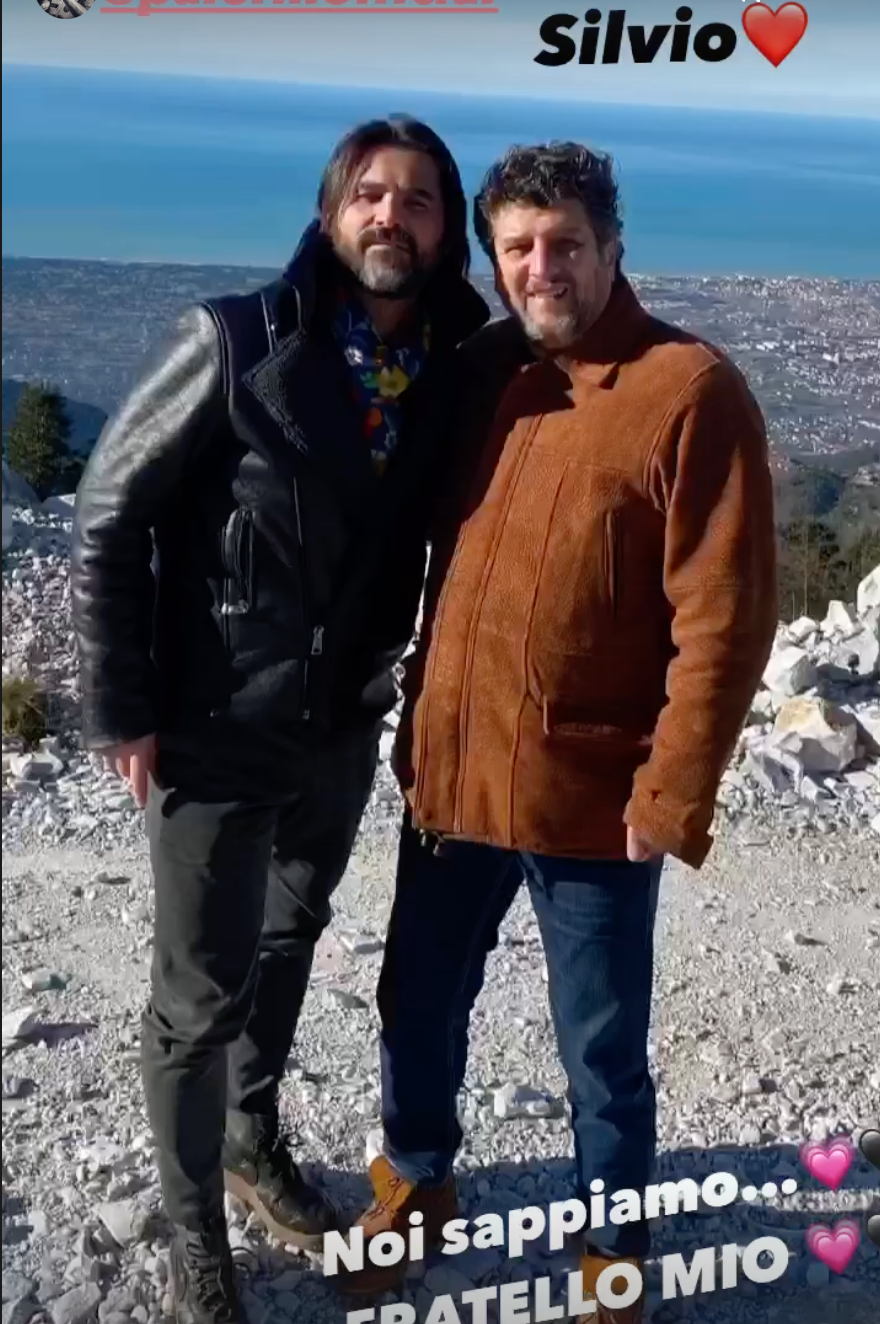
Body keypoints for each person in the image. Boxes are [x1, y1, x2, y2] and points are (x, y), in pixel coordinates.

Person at [340, 141, 778, 1323]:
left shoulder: (687, 390)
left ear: (612, 248)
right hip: (453, 773)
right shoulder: (481, 372)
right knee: (414, 1000)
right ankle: (417, 1181)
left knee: (600, 1046)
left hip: (593, 792)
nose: (543, 268)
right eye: (519, 247)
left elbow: (725, 618)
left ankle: (608, 1248)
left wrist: (670, 792)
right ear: (493, 259)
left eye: (566, 244)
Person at [69, 116, 488, 1324]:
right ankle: (193, 1226)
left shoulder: (452, 371)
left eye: (417, 200)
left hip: (340, 725)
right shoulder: (234, 340)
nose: (390, 215)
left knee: (288, 940)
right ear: (328, 213)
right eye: (369, 194)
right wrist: (122, 703)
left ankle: (249, 1140)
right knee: (199, 995)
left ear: (444, 231)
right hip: (215, 720)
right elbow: (109, 509)